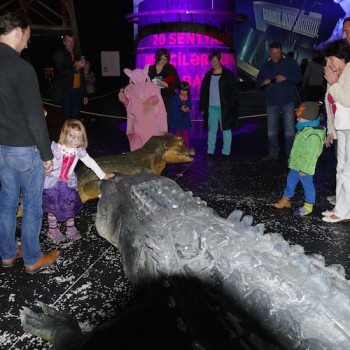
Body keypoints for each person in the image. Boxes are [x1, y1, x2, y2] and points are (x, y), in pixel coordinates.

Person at [0, 11, 59, 274]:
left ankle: (8, 254)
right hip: (24, 150)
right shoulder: (22, 68)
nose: (27, 42)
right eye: (27, 37)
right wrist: (47, 154)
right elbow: (35, 118)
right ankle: (32, 258)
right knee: (32, 205)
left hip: (1, 149)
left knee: (7, 203)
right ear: (18, 32)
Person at [42, 119, 114, 242]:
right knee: (53, 207)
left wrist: (102, 175)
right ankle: (52, 230)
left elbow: (90, 162)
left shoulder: (79, 151)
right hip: (53, 182)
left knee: (70, 204)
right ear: (65, 134)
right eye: (72, 136)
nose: (76, 140)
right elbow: (46, 161)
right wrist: (44, 167)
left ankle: (70, 228)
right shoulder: (56, 149)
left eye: (79, 137)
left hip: (67, 182)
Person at [274, 102, 326, 216]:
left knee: (307, 185)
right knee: (290, 181)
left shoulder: (313, 136)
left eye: (300, 117)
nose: (297, 119)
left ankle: (308, 206)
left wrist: (304, 169)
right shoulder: (306, 130)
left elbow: (311, 155)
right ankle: (286, 200)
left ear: (308, 119)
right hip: (296, 164)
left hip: (304, 168)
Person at [256, 41, 303, 160]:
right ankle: (273, 153)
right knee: (272, 130)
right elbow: (257, 84)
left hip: (287, 100)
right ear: (269, 52)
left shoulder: (290, 62)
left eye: (277, 53)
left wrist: (286, 78)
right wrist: (263, 83)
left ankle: (291, 154)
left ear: (281, 51)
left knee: (289, 131)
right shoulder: (265, 65)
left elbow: (299, 78)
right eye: (272, 53)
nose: (275, 56)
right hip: (271, 102)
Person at [321, 39, 350, 223]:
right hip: (342, 128)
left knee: (348, 171)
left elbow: (347, 100)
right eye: (326, 60)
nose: (328, 63)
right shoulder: (336, 74)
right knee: (340, 169)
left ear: (341, 57)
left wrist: (333, 84)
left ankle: (344, 211)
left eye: (331, 59)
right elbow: (331, 105)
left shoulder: (348, 71)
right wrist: (331, 130)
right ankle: (341, 206)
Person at [118, 65, 167, 151]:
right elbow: (128, 104)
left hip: (152, 123)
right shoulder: (128, 89)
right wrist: (123, 99)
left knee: (153, 147)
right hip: (138, 124)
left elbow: (157, 98)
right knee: (139, 148)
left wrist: (151, 100)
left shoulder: (152, 86)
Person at [199, 51, 238, 160]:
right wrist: (203, 107)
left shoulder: (228, 75)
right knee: (212, 130)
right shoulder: (208, 76)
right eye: (211, 61)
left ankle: (226, 152)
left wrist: (230, 105)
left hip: (224, 108)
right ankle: (210, 151)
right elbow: (203, 93)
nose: (213, 63)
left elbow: (234, 92)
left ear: (220, 60)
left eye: (215, 61)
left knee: (226, 130)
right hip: (211, 107)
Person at [52, 32, 88, 120]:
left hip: (78, 91)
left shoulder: (78, 56)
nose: (71, 43)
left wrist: (85, 94)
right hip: (66, 91)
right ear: (64, 42)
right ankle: (66, 133)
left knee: (75, 116)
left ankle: (74, 134)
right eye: (68, 41)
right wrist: (75, 68)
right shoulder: (59, 54)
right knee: (67, 116)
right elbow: (60, 73)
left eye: (72, 41)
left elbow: (82, 76)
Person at [148, 48, 180, 126]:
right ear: (157, 57)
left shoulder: (170, 68)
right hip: (153, 98)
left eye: (166, 59)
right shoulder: (151, 69)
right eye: (162, 59)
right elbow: (145, 83)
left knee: (166, 123)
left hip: (167, 99)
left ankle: (166, 137)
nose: (164, 61)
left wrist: (167, 85)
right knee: (153, 122)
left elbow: (178, 83)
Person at [169, 81, 192, 147]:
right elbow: (172, 107)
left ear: (188, 91)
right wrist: (180, 108)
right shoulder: (175, 98)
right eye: (182, 90)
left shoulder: (189, 97)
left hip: (185, 120)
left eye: (185, 90)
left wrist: (188, 108)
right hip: (177, 120)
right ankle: (178, 149)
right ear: (179, 90)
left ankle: (186, 148)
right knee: (178, 135)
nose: (183, 92)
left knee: (185, 135)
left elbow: (190, 105)